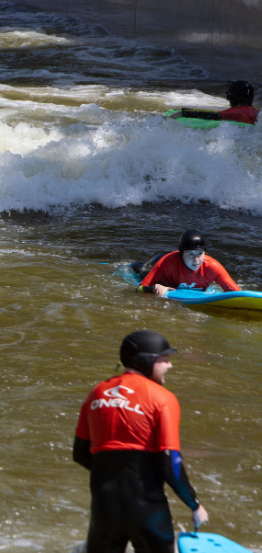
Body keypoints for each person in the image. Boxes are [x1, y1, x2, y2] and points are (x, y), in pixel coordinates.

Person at [73, 331, 208, 553]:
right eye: (164, 360)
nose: (169, 366)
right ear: (146, 361)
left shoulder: (96, 393)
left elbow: (80, 454)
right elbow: (170, 462)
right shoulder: (162, 398)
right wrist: (194, 504)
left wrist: (113, 471)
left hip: (104, 508)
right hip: (147, 509)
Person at [137, 229, 240, 297]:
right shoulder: (166, 263)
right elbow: (139, 289)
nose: (196, 259)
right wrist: (154, 288)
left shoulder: (212, 267)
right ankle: (133, 265)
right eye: (190, 254)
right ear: (181, 254)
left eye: (200, 253)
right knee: (140, 270)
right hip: (155, 263)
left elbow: (236, 293)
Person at [171, 80, 258, 125]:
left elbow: (212, 116)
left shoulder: (237, 112)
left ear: (232, 97)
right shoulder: (258, 113)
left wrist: (184, 113)